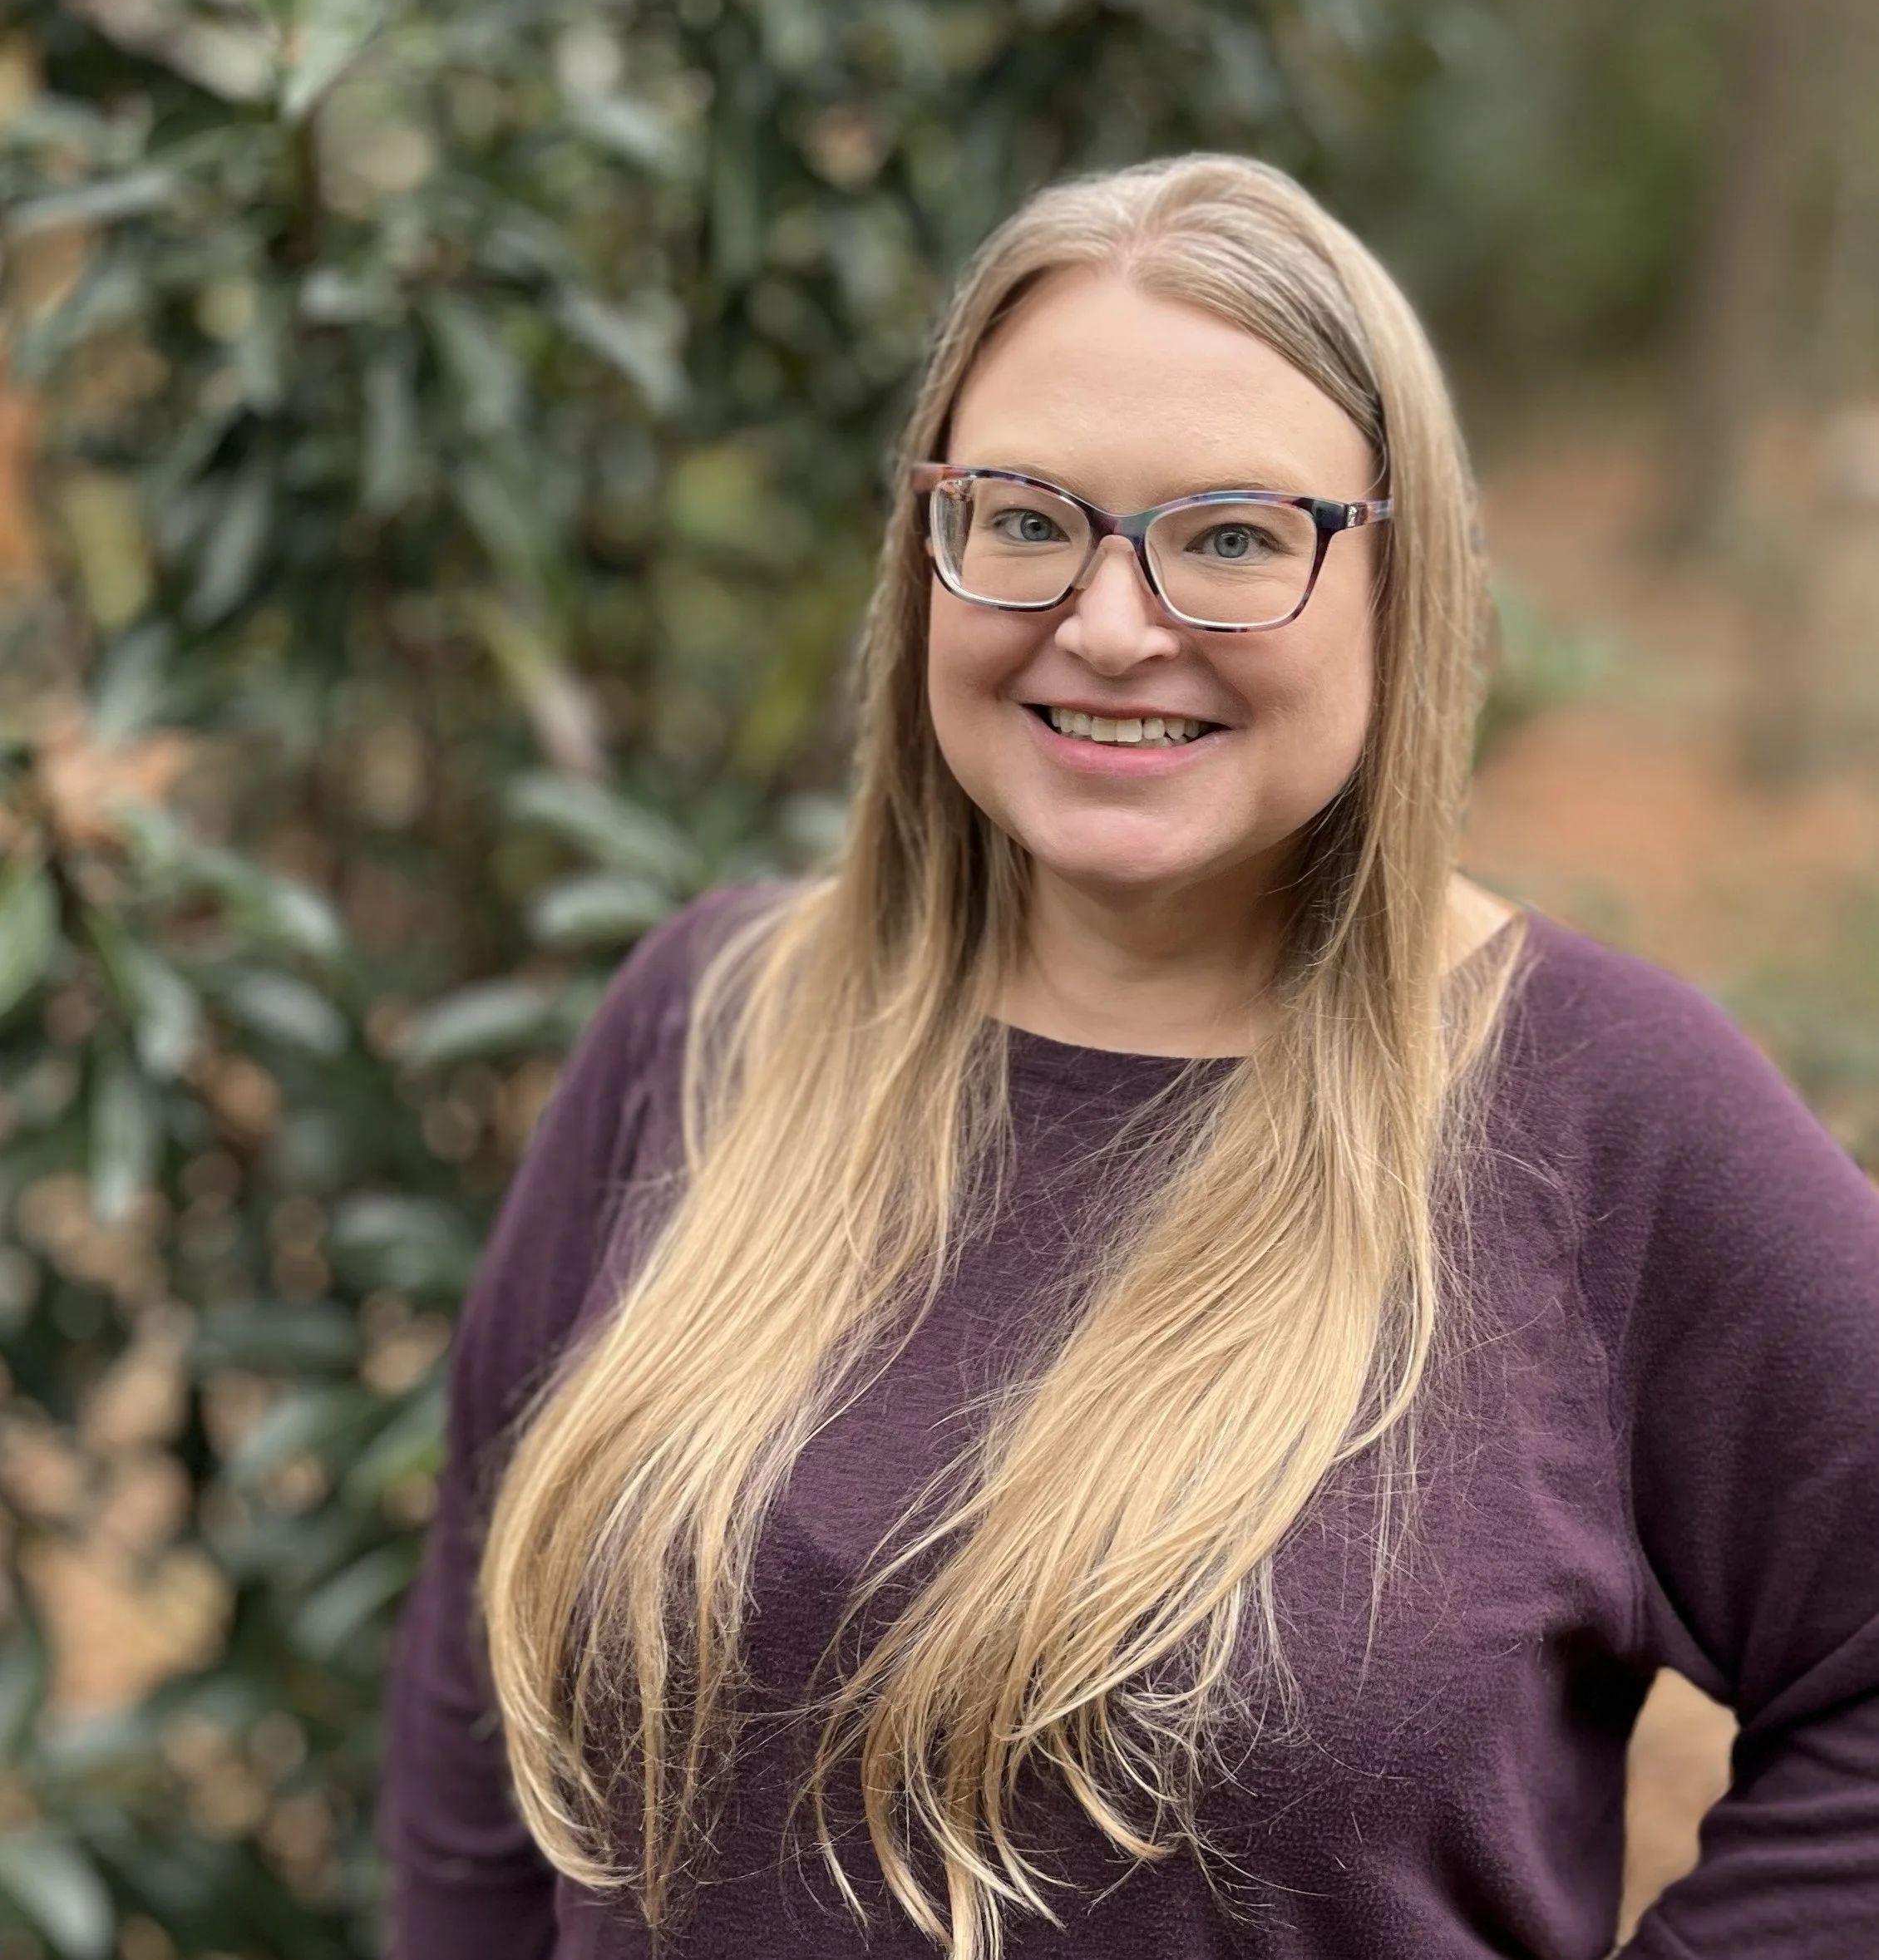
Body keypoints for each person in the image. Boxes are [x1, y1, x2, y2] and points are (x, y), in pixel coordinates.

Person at [380, 155, 1879, 1959]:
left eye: (1233, 535)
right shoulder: (705, 1024)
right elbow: (483, 1655)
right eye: (1020, 515)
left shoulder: (1608, 1118)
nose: (1105, 620)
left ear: (1399, 586)